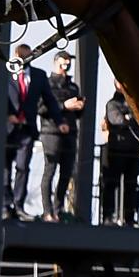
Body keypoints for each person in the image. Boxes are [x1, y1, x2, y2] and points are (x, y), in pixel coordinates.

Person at [6, 44, 63, 220]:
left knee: (23, 167)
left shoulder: (38, 75)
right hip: (8, 128)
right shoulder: (5, 72)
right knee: (4, 167)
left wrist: (59, 121)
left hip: (27, 128)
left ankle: (18, 204)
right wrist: (8, 115)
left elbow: (49, 100)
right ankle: (4, 205)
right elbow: (0, 95)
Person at [38, 50, 85, 222]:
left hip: (71, 133)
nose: (67, 64)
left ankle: (58, 209)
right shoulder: (46, 83)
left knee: (66, 172)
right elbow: (41, 109)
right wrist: (64, 105)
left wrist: (79, 107)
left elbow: (78, 115)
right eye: (63, 60)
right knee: (49, 171)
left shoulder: (73, 87)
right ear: (56, 61)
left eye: (69, 61)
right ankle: (47, 211)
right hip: (51, 132)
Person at [100, 82, 139, 226]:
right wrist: (129, 118)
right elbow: (117, 120)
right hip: (116, 150)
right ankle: (108, 217)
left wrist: (130, 118)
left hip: (133, 150)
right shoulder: (112, 104)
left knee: (132, 185)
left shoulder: (136, 104)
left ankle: (129, 218)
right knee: (111, 184)